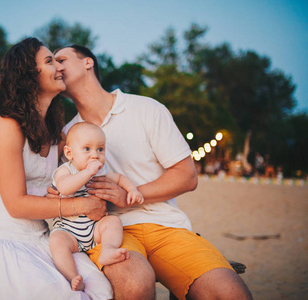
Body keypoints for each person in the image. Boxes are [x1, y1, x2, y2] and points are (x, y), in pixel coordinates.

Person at [50, 44, 252, 300]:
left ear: (88, 62)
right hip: (108, 231)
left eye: (61, 59)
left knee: (232, 294)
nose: (55, 66)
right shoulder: (68, 135)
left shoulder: (146, 109)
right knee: (135, 286)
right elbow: (63, 188)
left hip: (166, 225)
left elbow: (187, 175)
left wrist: (131, 196)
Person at [0, 38, 112, 300]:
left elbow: (65, 176)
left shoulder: (55, 133)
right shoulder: (7, 125)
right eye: (49, 61)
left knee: (100, 290)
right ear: (27, 76)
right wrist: (80, 206)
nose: (59, 67)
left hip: (40, 235)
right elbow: (16, 204)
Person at [49, 121, 143, 291]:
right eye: (87, 149)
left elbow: (119, 178)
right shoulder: (65, 171)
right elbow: (64, 187)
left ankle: (107, 250)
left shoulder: (101, 171)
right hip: (68, 231)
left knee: (113, 222)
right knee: (56, 242)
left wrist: (132, 190)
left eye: (100, 149)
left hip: (94, 229)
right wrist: (87, 173)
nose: (95, 155)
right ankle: (72, 276)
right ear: (69, 153)